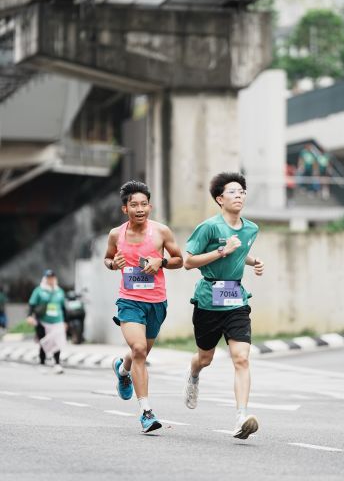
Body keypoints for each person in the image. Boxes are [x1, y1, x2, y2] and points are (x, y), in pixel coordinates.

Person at [183, 172, 264, 440]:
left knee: (241, 358)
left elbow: (240, 250)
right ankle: (193, 373)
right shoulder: (209, 227)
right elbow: (188, 261)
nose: (239, 195)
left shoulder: (251, 229)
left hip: (236, 299)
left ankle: (242, 417)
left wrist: (254, 262)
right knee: (204, 358)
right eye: (232, 191)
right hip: (209, 298)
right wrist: (222, 251)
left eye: (242, 191)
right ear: (220, 199)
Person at [104, 179, 183, 433]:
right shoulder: (116, 234)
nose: (140, 209)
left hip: (156, 302)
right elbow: (107, 258)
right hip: (129, 300)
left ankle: (122, 369)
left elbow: (179, 260)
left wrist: (161, 261)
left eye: (144, 204)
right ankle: (146, 412)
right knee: (138, 349)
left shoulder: (161, 232)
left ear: (150, 206)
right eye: (134, 205)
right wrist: (113, 264)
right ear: (125, 208)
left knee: (141, 353)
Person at [26, 270, 67, 374]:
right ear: (45, 279)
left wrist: (66, 321)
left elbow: (63, 307)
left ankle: (57, 363)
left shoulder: (59, 291)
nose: (50, 280)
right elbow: (32, 304)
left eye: (52, 278)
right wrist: (29, 316)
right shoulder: (39, 291)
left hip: (57, 321)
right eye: (48, 278)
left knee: (57, 342)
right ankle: (42, 361)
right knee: (44, 341)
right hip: (43, 321)